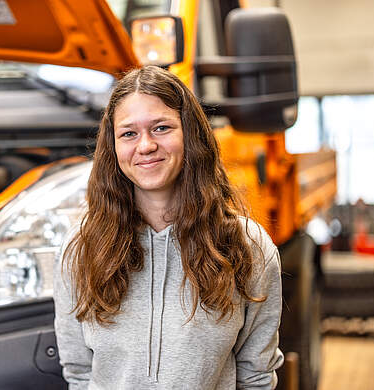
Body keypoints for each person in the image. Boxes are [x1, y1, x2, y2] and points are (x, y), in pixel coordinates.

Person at [53, 65, 283, 389]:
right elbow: (78, 373)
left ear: (191, 135)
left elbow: (256, 376)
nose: (145, 146)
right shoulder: (81, 249)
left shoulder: (248, 247)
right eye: (129, 133)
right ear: (113, 147)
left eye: (161, 127)